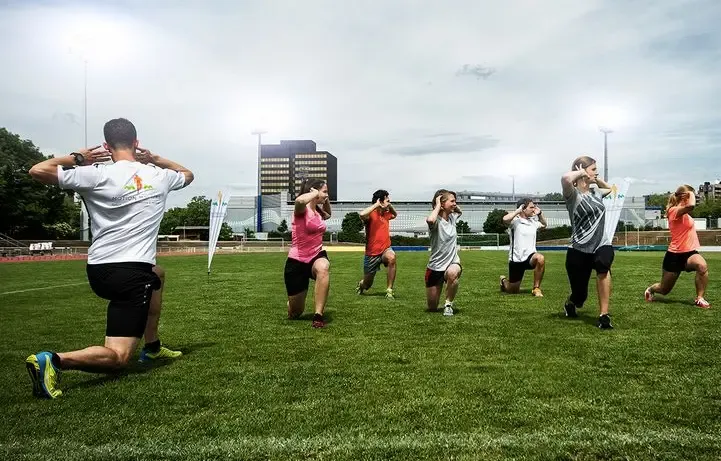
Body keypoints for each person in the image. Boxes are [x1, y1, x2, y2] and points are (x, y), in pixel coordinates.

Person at [25, 118, 194, 398]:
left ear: (106, 146)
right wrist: (157, 158)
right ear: (136, 143)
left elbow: (37, 170)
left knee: (158, 274)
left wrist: (77, 157)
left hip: (99, 271)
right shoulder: (158, 175)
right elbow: (188, 174)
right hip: (130, 275)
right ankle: (53, 360)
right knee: (118, 358)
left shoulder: (94, 173)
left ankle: (151, 347)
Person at [561, 155, 615, 329]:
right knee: (580, 296)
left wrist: (595, 179)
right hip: (578, 249)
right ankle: (571, 303)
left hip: (601, 244)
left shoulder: (596, 192)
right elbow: (565, 178)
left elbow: (611, 189)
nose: (596, 172)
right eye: (593, 169)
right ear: (581, 170)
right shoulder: (572, 195)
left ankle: (604, 315)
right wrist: (583, 173)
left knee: (603, 265)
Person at [645, 185, 710, 308]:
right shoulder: (673, 211)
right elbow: (691, 205)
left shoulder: (686, 214)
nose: (693, 197)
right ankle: (650, 289)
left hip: (689, 253)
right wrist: (690, 194)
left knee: (702, 266)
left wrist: (689, 194)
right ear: (684, 196)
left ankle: (700, 298)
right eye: (691, 195)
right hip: (674, 255)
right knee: (664, 289)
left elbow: (689, 207)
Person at [285, 178, 332, 328]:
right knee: (296, 313)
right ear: (314, 192)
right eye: (325, 192)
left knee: (323, 267)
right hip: (297, 261)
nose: (326, 195)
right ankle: (292, 303)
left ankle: (318, 315)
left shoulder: (319, 213)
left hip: (316, 255)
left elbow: (329, 215)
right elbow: (299, 201)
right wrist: (315, 194)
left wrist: (325, 199)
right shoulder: (301, 210)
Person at [425, 189, 463, 316]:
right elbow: (430, 220)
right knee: (432, 307)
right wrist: (437, 205)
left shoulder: (453, 217)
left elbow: (460, 211)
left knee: (452, 273)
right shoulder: (435, 221)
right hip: (435, 266)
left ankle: (448, 304)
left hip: (452, 262)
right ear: (441, 204)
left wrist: (451, 204)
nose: (455, 203)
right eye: (452, 201)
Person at [500, 198, 547, 297]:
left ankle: (536, 288)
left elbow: (544, 225)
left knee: (540, 258)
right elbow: (504, 219)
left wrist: (540, 214)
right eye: (531, 207)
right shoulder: (515, 222)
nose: (534, 209)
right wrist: (518, 210)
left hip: (530, 257)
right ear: (523, 208)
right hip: (517, 260)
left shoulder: (533, 222)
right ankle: (503, 281)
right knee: (513, 290)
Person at [356, 189, 398, 299]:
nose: (389, 202)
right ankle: (361, 285)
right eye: (387, 200)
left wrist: (389, 205)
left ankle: (389, 290)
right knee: (367, 284)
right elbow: (361, 214)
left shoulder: (386, 214)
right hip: (372, 253)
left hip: (385, 249)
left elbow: (395, 214)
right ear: (380, 201)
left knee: (391, 257)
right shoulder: (370, 215)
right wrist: (377, 205)